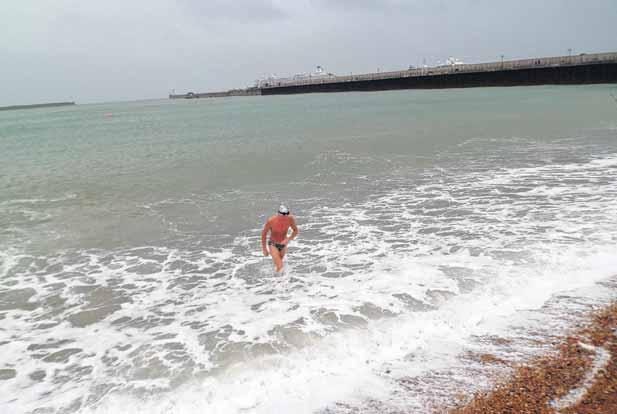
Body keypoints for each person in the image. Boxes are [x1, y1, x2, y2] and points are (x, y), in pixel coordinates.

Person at [261, 205, 299, 272]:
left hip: (283, 245)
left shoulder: (290, 219)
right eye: (283, 215)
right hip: (273, 244)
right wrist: (264, 249)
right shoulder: (271, 221)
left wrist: (288, 239)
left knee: (278, 265)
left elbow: (296, 231)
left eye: (287, 214)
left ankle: (274, 279)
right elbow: (264, 234)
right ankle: (281, 281)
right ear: (279, 214)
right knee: (280, 266)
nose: (285, 216)